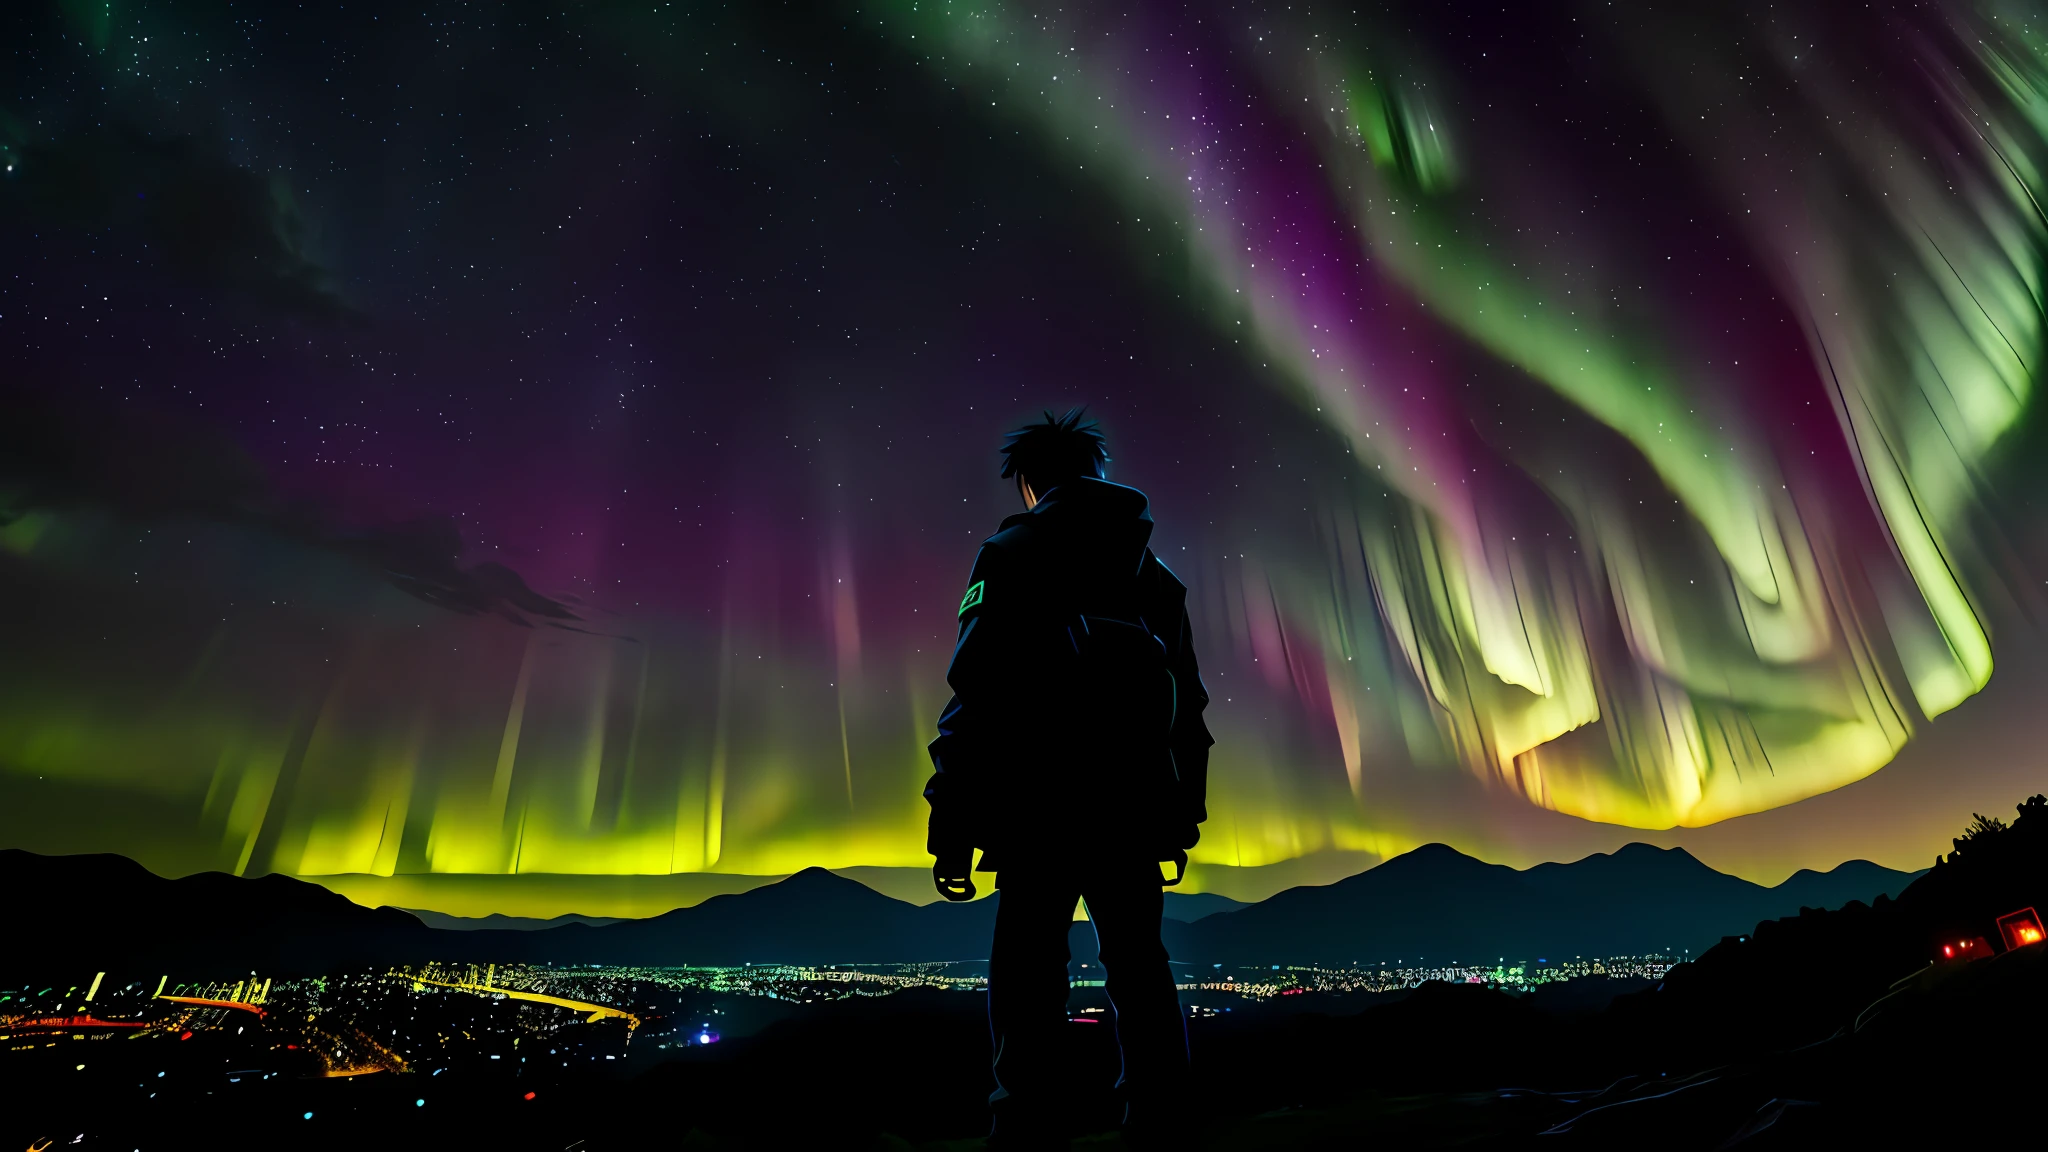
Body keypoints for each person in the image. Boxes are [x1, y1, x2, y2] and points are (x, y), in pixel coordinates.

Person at [925, 408, 1213, 1150]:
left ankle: (1022, 1127)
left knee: (1027, 971)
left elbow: (975, 692)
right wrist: (1183, 814)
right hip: (1134, 806)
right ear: (1096, 471)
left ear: (1029, 481)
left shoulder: (1012, 550)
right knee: (1140, 967)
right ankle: (1162, 1119)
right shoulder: (1155, 576)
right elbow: (1189, 708)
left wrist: (950, 821)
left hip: (1037, 809)